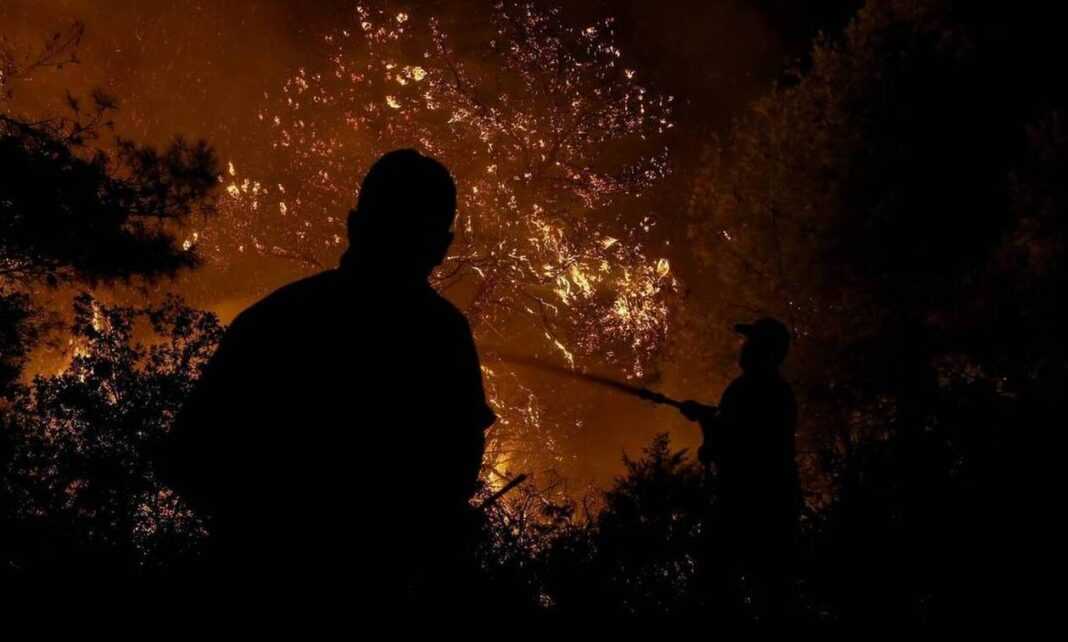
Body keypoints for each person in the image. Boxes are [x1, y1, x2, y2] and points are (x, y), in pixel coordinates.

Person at [159, 149, 495, 604]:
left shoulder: (275, 320)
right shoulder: (444, 339)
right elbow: (456, 468)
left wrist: (252, 533)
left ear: (354, 224)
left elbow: (183, 456)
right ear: (442, 245)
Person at [679, 318, 800, 619]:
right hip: (774, 501)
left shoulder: (750, 389)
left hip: (747, 503)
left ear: (763, 350)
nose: (743, 348)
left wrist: (706, 422)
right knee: (771, 589)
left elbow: (733, 444)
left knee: (721, 586)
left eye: (750, 342)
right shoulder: (774, 389)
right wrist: (708, 418)